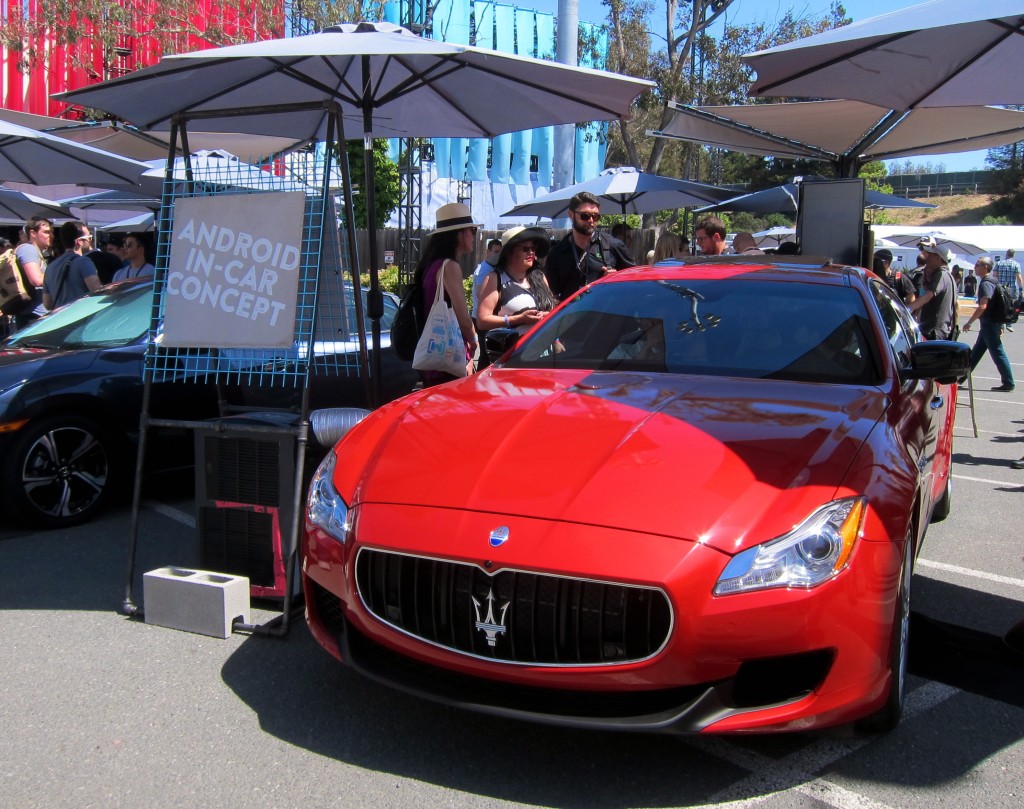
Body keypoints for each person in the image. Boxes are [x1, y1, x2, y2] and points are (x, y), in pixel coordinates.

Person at [412, 203, 479, 387]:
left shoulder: (430, 265)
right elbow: (463, 317)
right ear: (458, 234)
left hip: (433, 356)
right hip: (449, 360)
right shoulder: (450, 267)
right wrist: (474, 344)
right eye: (472, 230)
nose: (474, 236)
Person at [544, 191, 634, 302]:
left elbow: (635, 284)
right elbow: (552, 296)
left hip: (605, 314)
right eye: (585, 216)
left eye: (595, 216)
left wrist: (617, 278)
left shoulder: (613, 245)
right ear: (571, 215)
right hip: (572, 316)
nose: (591, 220)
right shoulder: (557, 253)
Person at [476, 225, 556, 337]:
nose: (531, 253)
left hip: (545, 349)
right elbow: (482, 321)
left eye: (533, 249)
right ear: (509, 252)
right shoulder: (495, 279)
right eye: (525, 249)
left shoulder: (540, 277)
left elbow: (553, 311)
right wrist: (518, 319)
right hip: (515, 351)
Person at [962, 256, 1015, 392]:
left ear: (986, 267)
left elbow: (983, 306)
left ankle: (1008, 382)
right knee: (977, 351)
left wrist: (969, 322)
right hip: (991, 323)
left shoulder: (986, 283)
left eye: (977, 264)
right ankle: (961, 377)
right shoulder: (992, 281)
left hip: (989, 324)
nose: (975, 267)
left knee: (997, 352)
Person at [42, 221, 102, 310]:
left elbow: (47, 304)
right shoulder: (84, 262)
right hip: (82, 318)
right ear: (79, 241)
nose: (90, 240)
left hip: (60, 319)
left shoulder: (50, 267)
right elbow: (97, 292)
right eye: (89, 237)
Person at [908, 238, 957, 340]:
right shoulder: (947, 275)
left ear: (938, 258)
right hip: (938, 330)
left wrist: (907, 310)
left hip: (935, 332)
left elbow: (927, 297)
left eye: (930, 255)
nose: (927, 258)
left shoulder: (941, 275)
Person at [13, 215, 52, 330]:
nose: (50, 236)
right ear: (33, 233)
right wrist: (58, 276)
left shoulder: (35, 251)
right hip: (32, 317)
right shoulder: (28, 249)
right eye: (46, 232)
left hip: (34, 315)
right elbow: (36, 279)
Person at [470, 237, 502, 369]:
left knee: (486, 353)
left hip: (481, 315)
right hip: (482, 317)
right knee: (486, 353)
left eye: (500, 252)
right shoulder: (484, 269)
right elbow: (481, 294)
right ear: (488, 252)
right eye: (495, 251)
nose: (498, 255)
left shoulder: (487, 268)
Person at [994, 248, 1022, 332]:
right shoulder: (1016, 264)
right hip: (1011, 288)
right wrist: (1021, 289)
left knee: (1000, 304)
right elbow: (1019, 278)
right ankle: (1009, 323)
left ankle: (1001, 323)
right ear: (1013, 255)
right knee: (1011, 306)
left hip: (1000, 287)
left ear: (1006, 254)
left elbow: (995, 275)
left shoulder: (999, 263)